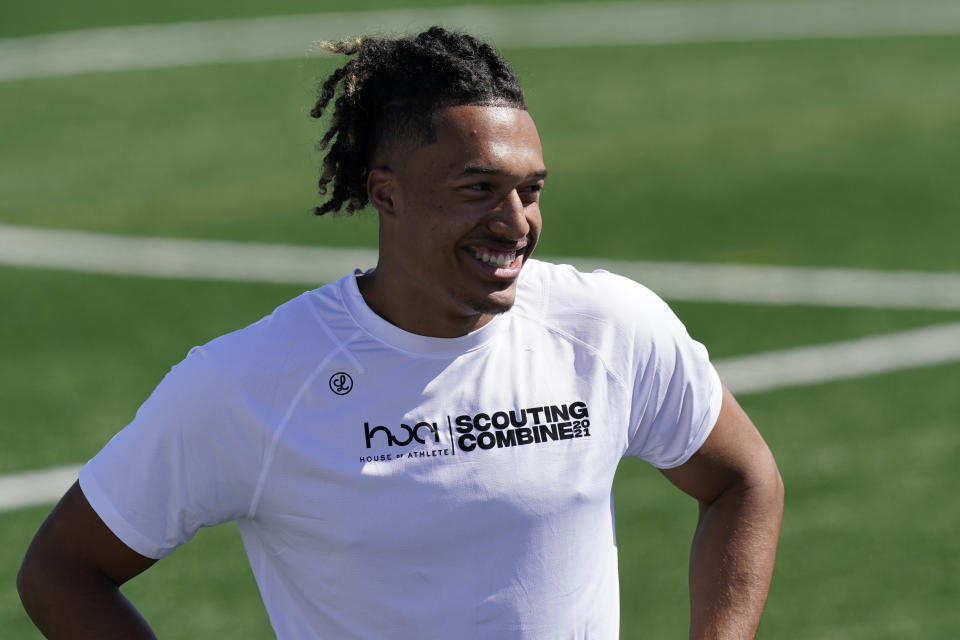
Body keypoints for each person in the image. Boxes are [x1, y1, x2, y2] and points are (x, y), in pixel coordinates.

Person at [17, 26, 783, 639]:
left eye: (530, 190)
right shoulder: (254, 382)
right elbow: (61, 571)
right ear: (385, 194)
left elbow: (743, 480)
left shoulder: (607, 327)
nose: (516, 224)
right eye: (478, 189)